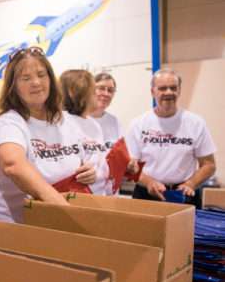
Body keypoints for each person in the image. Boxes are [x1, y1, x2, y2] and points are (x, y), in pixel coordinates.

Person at [0, 47, 96, 223]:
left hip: (52, 220)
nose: (36, 82)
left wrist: (88, 173)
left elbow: (79, 162)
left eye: (41, 75)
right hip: (13, 224)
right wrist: (64, 209)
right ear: (14, 87)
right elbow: (13, 165)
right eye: (25, 78)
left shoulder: (65, 120)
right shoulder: (10, 122)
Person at [126, 69, 216, 203]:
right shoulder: (138, 124)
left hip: (184, 194)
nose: (168, 92)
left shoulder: (196, 123)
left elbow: (209, 165)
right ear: (152, 92)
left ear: (179, 91)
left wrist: (191, 183)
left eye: (173, 88)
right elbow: (129, 167)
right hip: (146, 195)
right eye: (162, 88)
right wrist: (149, 182)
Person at [60, 70, 112, 195]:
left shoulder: (93, 123)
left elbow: (99, 161)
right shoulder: (61, 122)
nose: (98, 94)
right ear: (74, 93)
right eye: (94, 91)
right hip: (79, 198)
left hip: (100, 196)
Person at [91, 73, 122, 149]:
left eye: (110, 90)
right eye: (101, 88)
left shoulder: (114, 121)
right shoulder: (78, 120)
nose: (106, 93)